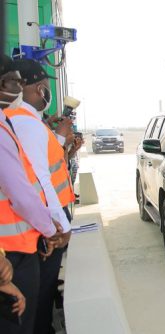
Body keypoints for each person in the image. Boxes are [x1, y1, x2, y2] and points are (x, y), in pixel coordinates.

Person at [5, 59, 74, 334]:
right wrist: (59, 226)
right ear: (32, 88)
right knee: (38, 300)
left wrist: (59, 140)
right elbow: (37, 181)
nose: (48, 91)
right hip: (39, 229)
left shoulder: (28, 121)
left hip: (39, 226)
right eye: (44, 86)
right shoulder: (26, 122)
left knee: (41, 296)